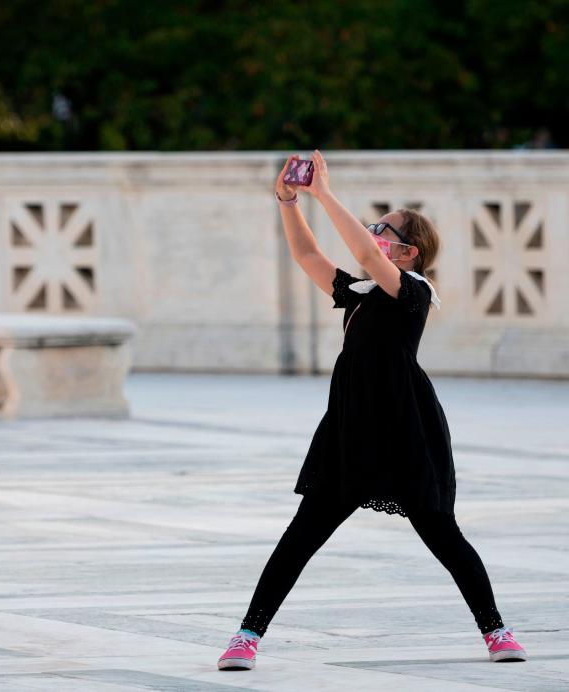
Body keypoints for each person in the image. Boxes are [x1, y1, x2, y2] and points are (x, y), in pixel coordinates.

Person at [217, 151, 528, 671]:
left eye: (385, 229)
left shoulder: (414, 293)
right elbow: (307, 256)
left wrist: (324, 195)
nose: (372, 232)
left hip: (407, 432)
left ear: (408, 253)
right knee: (300, 536)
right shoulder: (359, 293)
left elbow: (362, 248)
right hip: (350, 430)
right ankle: (246, 636)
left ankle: (496, 629)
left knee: (443, 534)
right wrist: (288, 199)